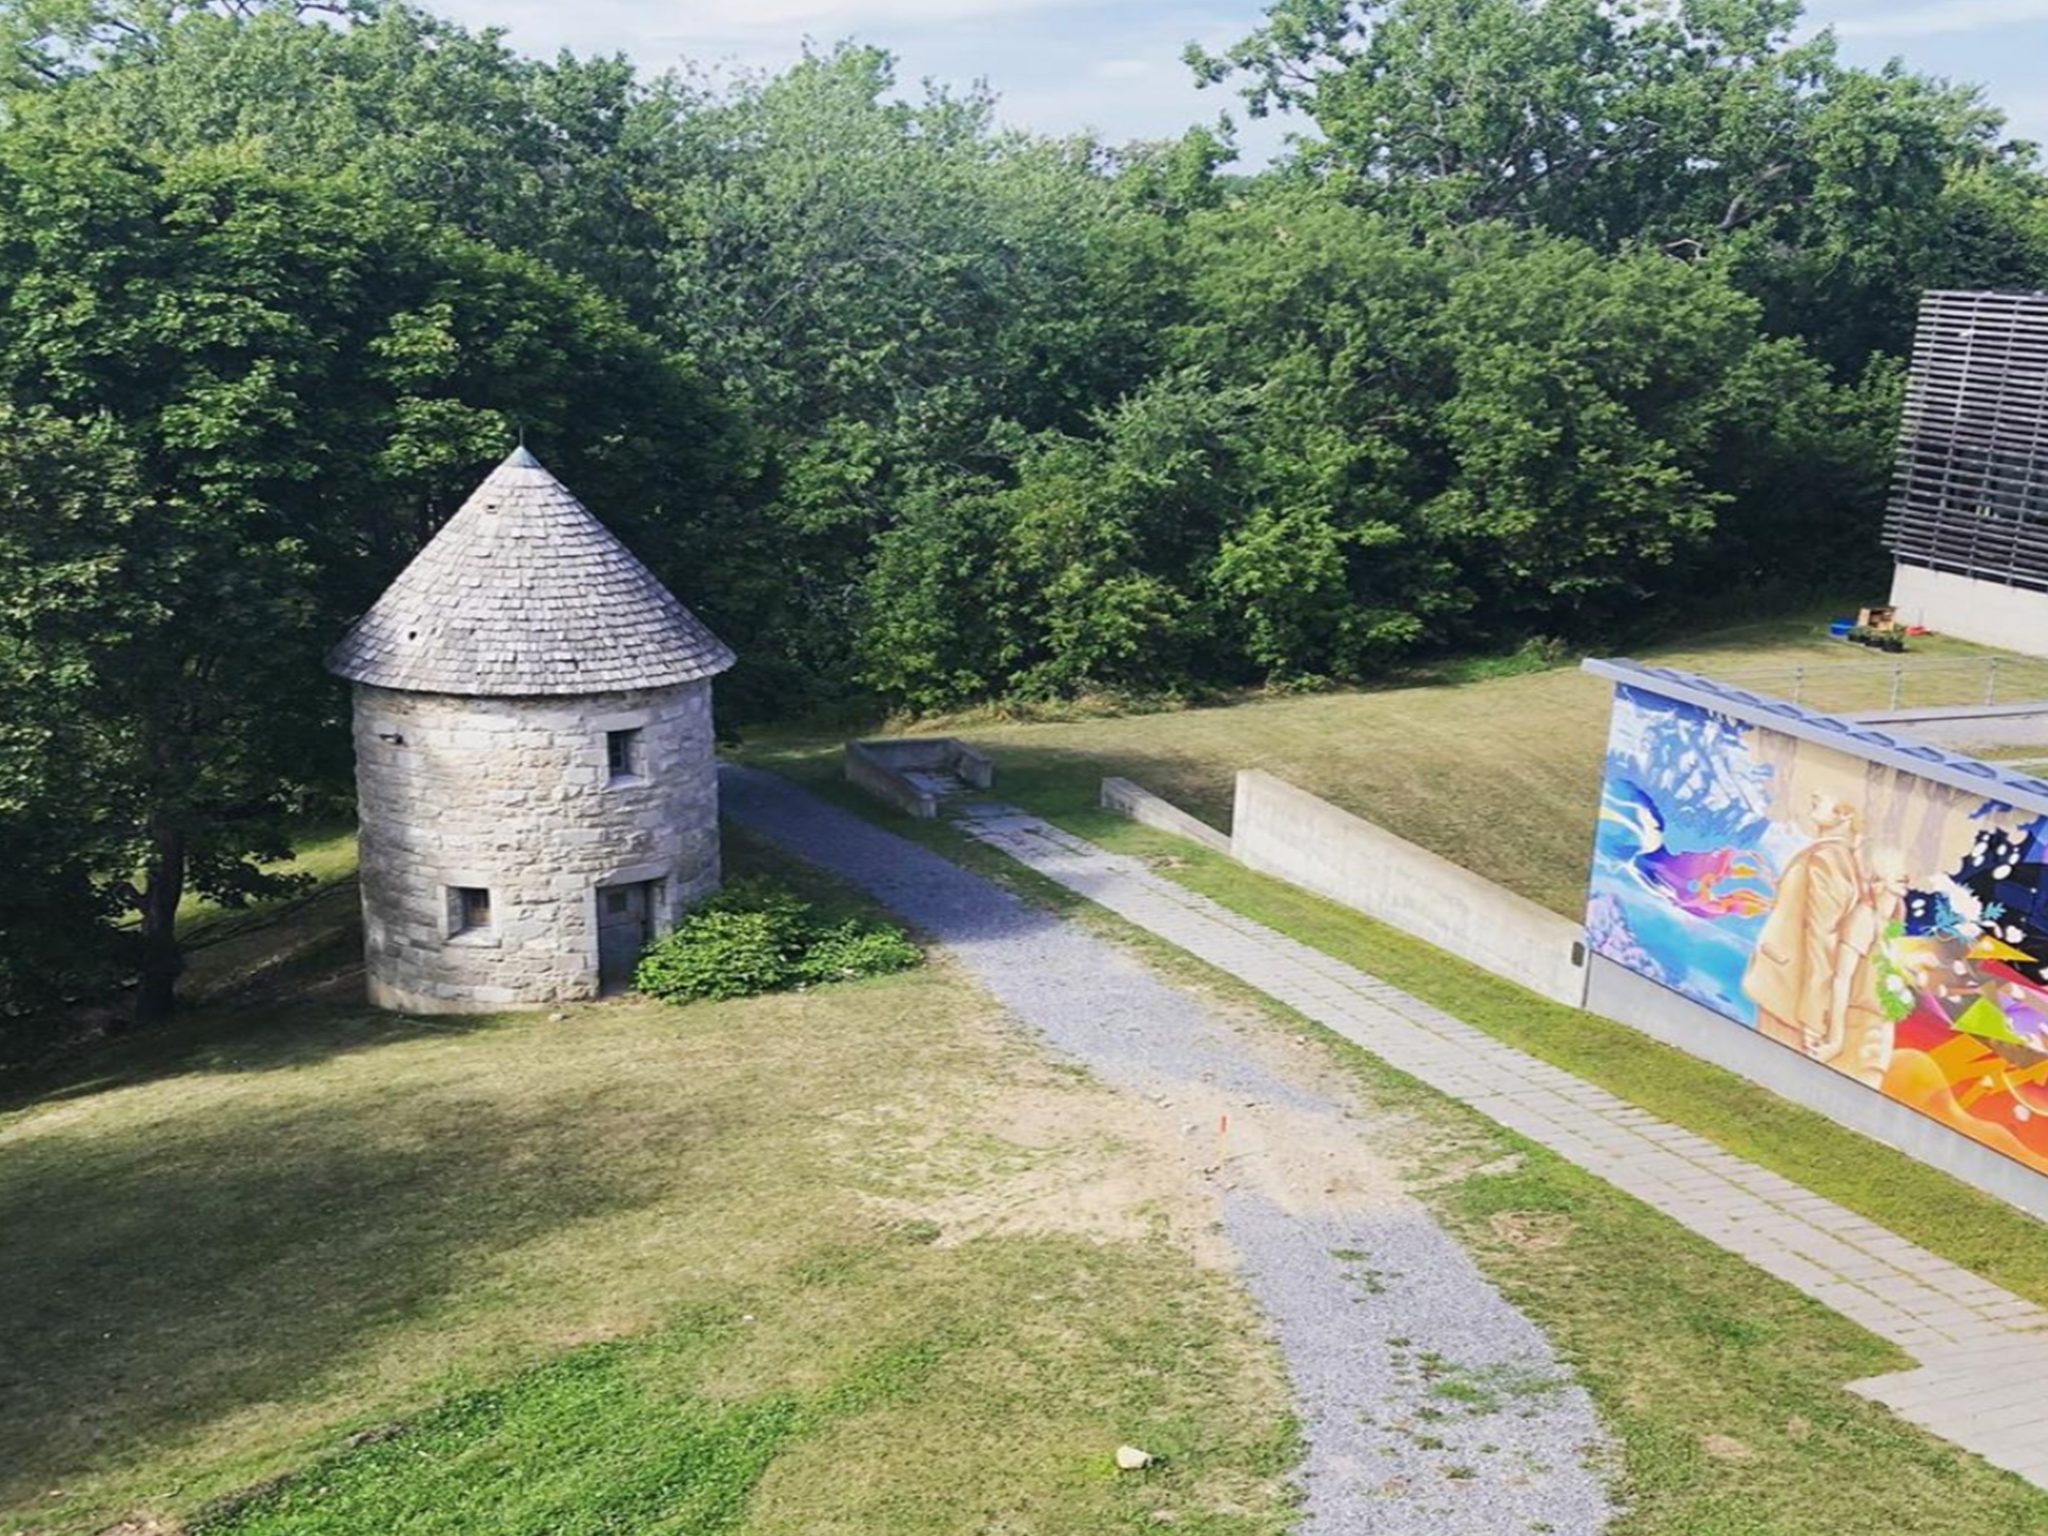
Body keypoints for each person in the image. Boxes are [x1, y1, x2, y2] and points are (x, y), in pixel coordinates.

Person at [1743, 790, 1862, 1049]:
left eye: (1825, 797)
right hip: (1783, 987)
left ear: (1846, 813)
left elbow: (1823, 938)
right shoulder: (1825, 854)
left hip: (1789, 997)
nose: (1816, 795)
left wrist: (1813, 1018)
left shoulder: (1828, 859)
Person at [1813, 845, 1910, 1087]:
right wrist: (1835, 1040)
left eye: (1905, 867)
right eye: (1896, 867)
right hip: (1855, 1029)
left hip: (1879, 1034)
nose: (1905, 874)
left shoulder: (1893, 926)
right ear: (1877, 874)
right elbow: (1841, 979)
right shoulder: (1865, 918)